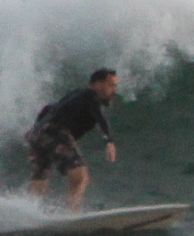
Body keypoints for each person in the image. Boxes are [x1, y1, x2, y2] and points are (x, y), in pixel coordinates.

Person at [24, 68, 121, 211]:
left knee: (40, 177)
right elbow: (99, 115)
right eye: (110, 85)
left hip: (38, 133)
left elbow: (49, 107)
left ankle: (28, 211)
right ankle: (70, 213)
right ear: (98, 84)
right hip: (55, 132)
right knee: (80, 176)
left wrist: (35, 128)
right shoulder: (91, 96)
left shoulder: (76, 94)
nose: (113, 90)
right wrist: (109, 140)